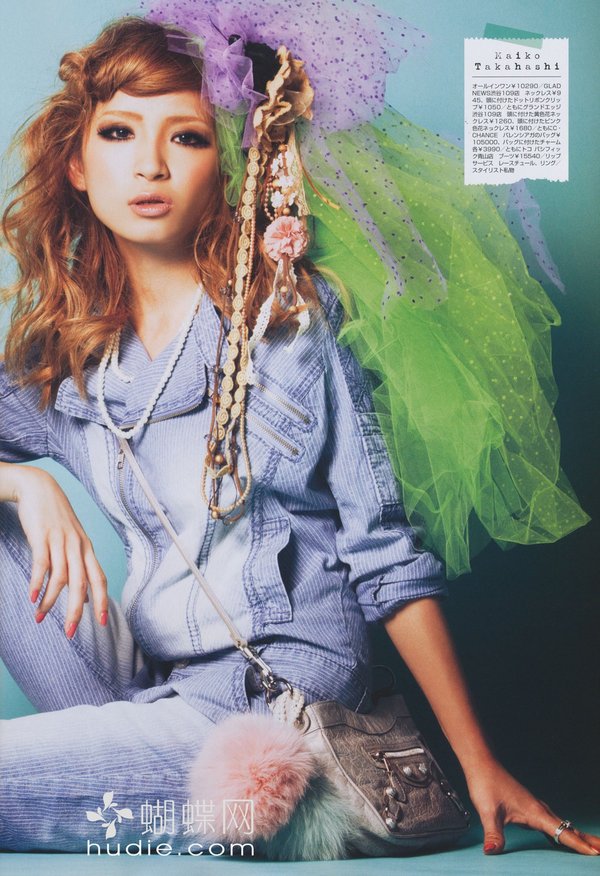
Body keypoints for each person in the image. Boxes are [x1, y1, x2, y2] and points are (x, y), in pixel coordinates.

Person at [0, 4, 597, 859]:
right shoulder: (74, 358)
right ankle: (125, 765)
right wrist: (23, 482)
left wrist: (480, 762)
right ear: (77, 165)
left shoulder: (288, 327)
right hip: (150, 684)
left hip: (265, 713)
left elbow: (385, 554)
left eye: (187, 138)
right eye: (120, 132)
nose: (151, 165)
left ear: (227, 164)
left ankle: (171, 788)